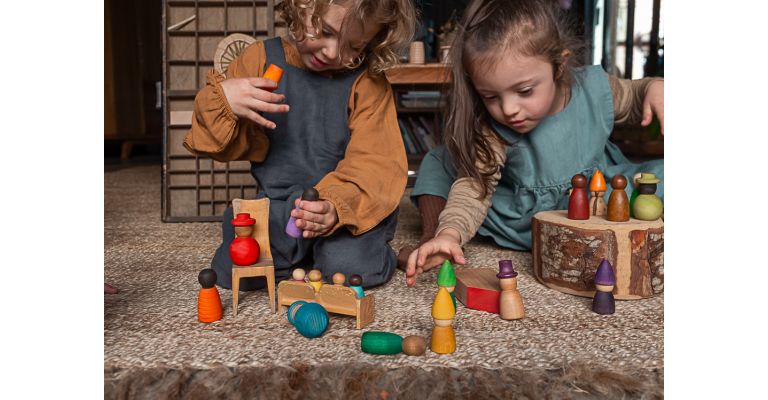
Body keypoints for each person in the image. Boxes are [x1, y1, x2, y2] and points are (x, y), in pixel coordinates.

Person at [402, 0, 664, 287]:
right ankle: (434, 242)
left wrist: (653, 87)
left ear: (559, 66)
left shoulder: (593, 88)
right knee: (439, 162)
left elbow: (636, 96)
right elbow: (473, 188)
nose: (509, 108)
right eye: (491, 96)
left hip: (595, 201)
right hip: (522, 222)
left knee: (659, 176)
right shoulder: (491, 129)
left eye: (524, 91)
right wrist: (449, 234)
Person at [184, 0, 416, 289]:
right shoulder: (259, 59)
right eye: (326, 31)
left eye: (354, 47)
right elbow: (217, 145)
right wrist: (226, 101)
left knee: (351, 269)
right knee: (235, 265)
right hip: (282, 206)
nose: (333, 52)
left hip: (344, 211)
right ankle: (305, 255)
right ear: (301, 6)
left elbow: (376, 162)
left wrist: (334, 206)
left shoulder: (368, 81)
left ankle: (355, 249)